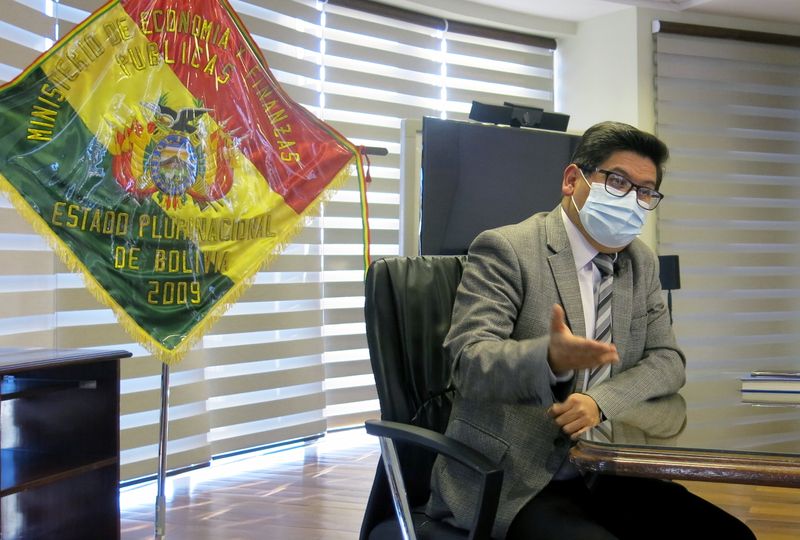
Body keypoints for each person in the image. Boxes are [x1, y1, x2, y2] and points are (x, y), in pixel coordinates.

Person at [425, 121, 755, 540]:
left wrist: (598, 401)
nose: (632, 200)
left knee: (730, 536)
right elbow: (468, 361)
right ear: (571, 180)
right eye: (617, 181)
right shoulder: (507, 249)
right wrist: (547, 358)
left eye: (645, 191)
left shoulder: (640, 262)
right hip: (515, 479)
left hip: (613, 471)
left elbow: (668, 361)